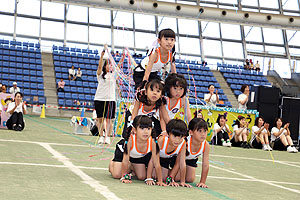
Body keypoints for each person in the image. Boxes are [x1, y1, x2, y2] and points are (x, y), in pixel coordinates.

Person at [109, 115, 166, 186]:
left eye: (148, 128)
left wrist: (160, 180)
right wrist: (124, 177)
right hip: (124, 154)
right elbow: (125, 159)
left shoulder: (153, 142)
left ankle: (131, 166)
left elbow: (156, 162)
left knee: (142, 177)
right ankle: (112, 163)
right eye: (142, 128)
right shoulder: (130, 140)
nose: (145, 132)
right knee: (116, 175)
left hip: (137, 157)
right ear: (135, 130)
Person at [94, 45, 124, 144]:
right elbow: (99, 67)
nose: (109, 66)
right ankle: (101, 136)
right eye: (107, 65)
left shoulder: (113, 75)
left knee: (109, 120)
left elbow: (118, 65)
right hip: (99, 98)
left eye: (111, 65)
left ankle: (107, 136)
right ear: (104, 66)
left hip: (110, 99)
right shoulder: (100, 76)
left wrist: (123, 57)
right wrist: (102, 56)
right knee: (100, 119)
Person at [156, 119, 191, 187]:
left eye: (181, 137)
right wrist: (159, 180)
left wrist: (174, 179)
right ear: (168, 133)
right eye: (174, 136)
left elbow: (180, 162)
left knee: (177, 177)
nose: (177, 140)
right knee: (143, 176)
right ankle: (133, 166)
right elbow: (153, 160)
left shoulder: (183, 143)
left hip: (166, 159)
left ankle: (165, 173)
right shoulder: (162, 140)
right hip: (153, 158)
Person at [183, 118, 210, 188]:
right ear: (191, 132)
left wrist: (202, 182)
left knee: (190, 179)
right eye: (199, 131)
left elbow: (205, 164)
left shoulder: (206, 145)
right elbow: (179, 162)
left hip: (191, 159)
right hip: (177, 159)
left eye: (205, 131)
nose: (203, 134)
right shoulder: (185, 142)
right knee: (177, 178)